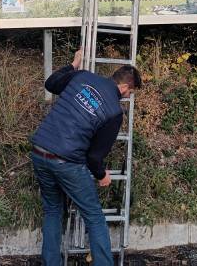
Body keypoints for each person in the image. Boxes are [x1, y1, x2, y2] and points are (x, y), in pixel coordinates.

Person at [31, 50, 143, 266]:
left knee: (53, 210)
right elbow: (94, 156)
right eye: (131, 92)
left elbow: (51, 84)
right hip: (66, 161)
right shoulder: (114, 112)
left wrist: (72, 65)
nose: (129, 97)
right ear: (124, 87)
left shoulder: (83, 76)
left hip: (39, 149)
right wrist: (102, 175)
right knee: (94, 216)